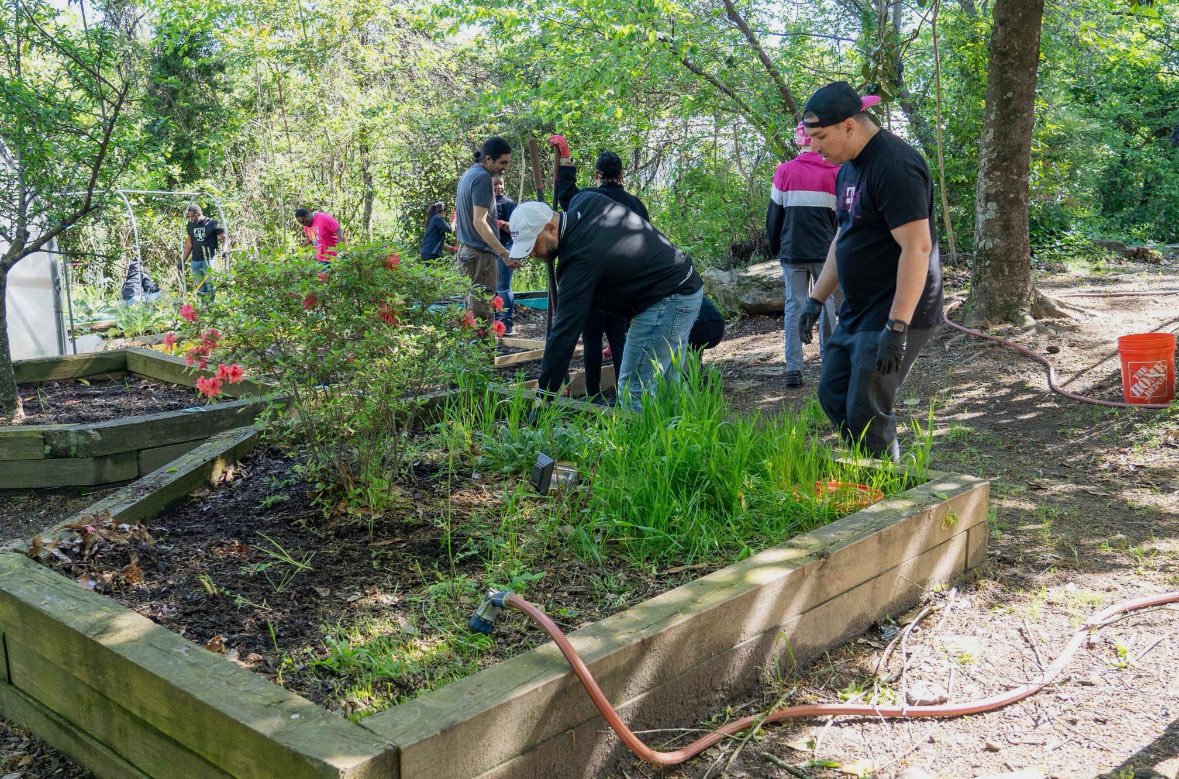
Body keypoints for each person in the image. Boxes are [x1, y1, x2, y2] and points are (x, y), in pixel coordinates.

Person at [798, 81, 943, 462]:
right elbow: (844, 238)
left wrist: (896, 328)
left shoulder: (895, 165)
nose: (814, 147)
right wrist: (815, 300)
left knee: (867, 404)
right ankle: (873, 465)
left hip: (894, 308)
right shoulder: (847, 166)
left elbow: (918, 247)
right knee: (832, 393)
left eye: (821, 137)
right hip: (858, 309)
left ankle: (885, 489)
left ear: (850, 125)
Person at [508, 195, 703, 407]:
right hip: (683, 287)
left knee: (634, 392)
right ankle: (670, 436)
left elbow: (565, 331)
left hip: (667, 299)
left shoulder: (579, 260)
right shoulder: (585, 200)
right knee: (665, 387)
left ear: (550, 228)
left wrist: (544, 396)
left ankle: (637, 439)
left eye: (533, 245)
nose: (532, 254)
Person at [551, 136, 649, 400]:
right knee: (619, 340)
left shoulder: (589, 198)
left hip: (592, 284)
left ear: (597, 174)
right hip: (624, 285)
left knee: (592, 341)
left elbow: (566, 196)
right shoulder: (636, 205)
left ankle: (594, 395)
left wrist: (565, 157)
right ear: (621, 174)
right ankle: (626, 394)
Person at [767, 121, 842, 387]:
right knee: (826, 303)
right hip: (824, 249)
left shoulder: (784, 171)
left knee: (794, 305)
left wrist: (775, 246)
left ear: (798, 142)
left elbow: (774, 215)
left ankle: (793, 369)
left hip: (792, 249)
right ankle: (830, 361)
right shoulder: (836, 173)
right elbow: (840, 218)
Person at [455, 137, 516, 322]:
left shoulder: (469, 173)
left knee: (472, 312)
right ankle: (483, 351)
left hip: (467, 252)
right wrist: (503, 253)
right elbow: (479, 222)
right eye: (502, 162)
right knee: (481, 315)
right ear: (488, 159)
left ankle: (474, 349)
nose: (505, 167)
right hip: (480, 256)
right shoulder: (482, 178)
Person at [182, 204, 224, 302]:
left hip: (209, 260)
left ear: (199, 214)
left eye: (192, 216)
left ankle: (211, 309)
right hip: (196, 261)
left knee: (210, 287)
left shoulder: (212, 223)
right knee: (200, 288)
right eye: (189, 217)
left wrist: (225, 250)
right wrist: (182, 260)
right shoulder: (190, 225)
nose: (191, 219)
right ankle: (202, 308)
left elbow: (224, 238)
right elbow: (189, 244)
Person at [493, 175, 517, 334]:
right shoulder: (486, 203)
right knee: (493, 287)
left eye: (500, 183)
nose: (498, 187)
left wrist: (502, 224)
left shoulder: (508, 204)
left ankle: (507, 322)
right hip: (490, 249)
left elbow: (516, 228)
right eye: (495, 184)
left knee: (503, 287)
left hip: (506, 247)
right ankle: (496, 321)